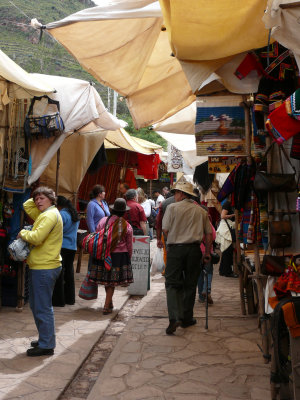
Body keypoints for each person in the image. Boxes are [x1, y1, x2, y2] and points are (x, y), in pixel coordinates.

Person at [162, 181, 213, 335]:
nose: (174, 196)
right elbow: (209, 234)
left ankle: (174, 318)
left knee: (172, 284)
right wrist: (207, 253)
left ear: (182, 194)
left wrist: (172, 243)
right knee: (190, 285)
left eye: (176, 193)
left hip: (176, 250)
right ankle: (186, 319)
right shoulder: (201, 211)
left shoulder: (172, 208)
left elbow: (165, 230)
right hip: (194, 250)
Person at [18, 186, 63, 356]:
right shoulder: (46, 214)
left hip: (44, 267)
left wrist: (22, 233)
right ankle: (45, 338)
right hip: (43, 265)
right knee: (38, 306)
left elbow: (36, 238)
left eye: (42, 198)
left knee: (42, 307)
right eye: (36, 199)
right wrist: (37, 193)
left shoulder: (49, 215)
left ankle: (46, 344)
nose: (37, 202)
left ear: (52, 199)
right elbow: (26, 206)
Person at [95, 198, 133, 314]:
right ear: (124, 212)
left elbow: (97, 235)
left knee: (108, 280)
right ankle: (107, 305)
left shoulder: (103, 221)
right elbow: (129, 244)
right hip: (120, 256)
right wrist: (128, 257)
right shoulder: (127, 226)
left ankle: (109, 302)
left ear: (112, 209)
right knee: (111, 281)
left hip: (104, 253)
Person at [52, 196, 80, 307]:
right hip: (72, 247)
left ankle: (59, 301)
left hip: (62, 246)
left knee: (59, 273)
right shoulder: (74, 214)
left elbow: (57, 230)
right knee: (69, 273)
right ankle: (70, 299)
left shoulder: (62, 214)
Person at [218, 196, 238, 278]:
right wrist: (234, 215)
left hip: (229, 228)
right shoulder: (227, 204)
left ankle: (223, 270)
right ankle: (227, 271)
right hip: (226, 229)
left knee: (227, 250)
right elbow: (222, 216)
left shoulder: (230, 203)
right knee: (227, 249)